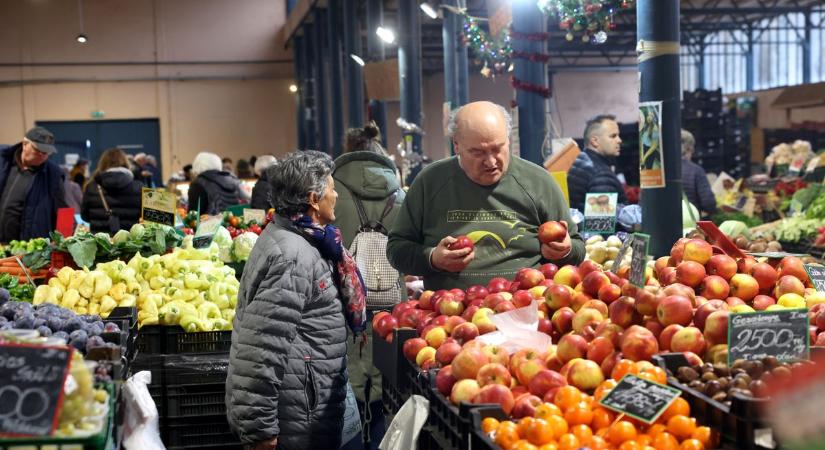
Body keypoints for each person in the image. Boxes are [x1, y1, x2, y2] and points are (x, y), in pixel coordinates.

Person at [226, 150, 366, 450]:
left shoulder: (302, 239)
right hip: (298, 416)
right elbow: (261, 346)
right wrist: (260, 427)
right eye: (332, 188)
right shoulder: (294, 256)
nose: (336, 195)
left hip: (305, 405)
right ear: (314, 199)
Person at [387, 101, 585, 291]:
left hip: (525, 307)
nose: (490, 162)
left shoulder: (539, 182)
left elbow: (578, 248)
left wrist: (565, 250)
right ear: (456, 145)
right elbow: (396, 250)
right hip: (447, 309)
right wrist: (432, 258)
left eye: (498, 148)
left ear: (508, 140)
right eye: (477, 152)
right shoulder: (430, 182)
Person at [335, 123, 404, 450]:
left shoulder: (331, 193)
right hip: (392, 311)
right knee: (385, 400)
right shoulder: (401, 196)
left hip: (343, 310)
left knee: (346, 400)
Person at [0, 126, 67, 241]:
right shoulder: (4, 160)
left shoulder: (54, 174)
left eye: (46, 152)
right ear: (25, 144)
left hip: (31, 246)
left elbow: (63, 211)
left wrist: (64, 242)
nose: (42, 155)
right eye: (38, 150)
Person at [567, 114, 627, 212]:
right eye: (613, 136)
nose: (619, 140)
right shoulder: (601, 174)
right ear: (595, 141)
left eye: (618, 135)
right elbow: (600, 219)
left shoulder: (581, 159)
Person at [80, 148, 143, 233]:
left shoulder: (91, 187)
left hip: (99, 239)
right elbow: (144, 216)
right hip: (130, 239)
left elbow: (84, 216)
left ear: (102, 164)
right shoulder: (138, 187)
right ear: (125, 162)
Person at [681, 129, 717, 216]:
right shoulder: (695, 171)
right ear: (689, 149)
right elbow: (708, 203)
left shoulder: (661, 172)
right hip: (691, 221)